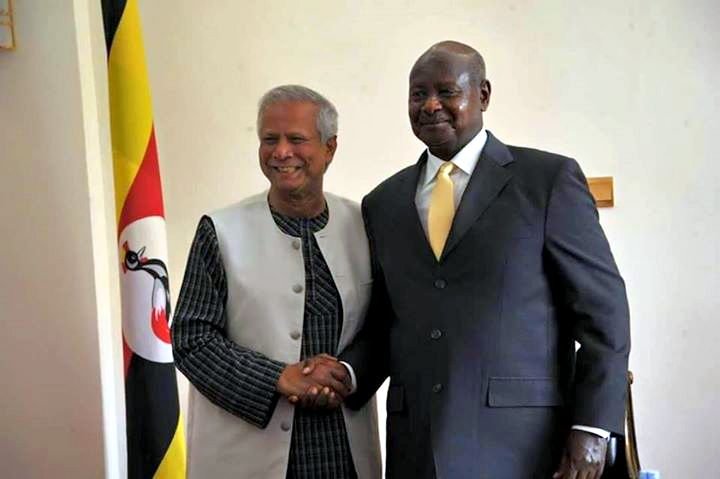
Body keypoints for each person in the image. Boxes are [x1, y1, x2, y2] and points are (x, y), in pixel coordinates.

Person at [305, 41, 630, 478]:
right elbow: (387, 321)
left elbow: (604, 315)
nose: (430, 105)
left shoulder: (547, 181)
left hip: (525, 449)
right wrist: (348, 372)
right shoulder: (383, 202)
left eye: (446, 91)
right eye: (418, 94)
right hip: (416, 447)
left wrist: (592, 428)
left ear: (483, 95)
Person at [171, 85, 382, 479]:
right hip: (246, 456)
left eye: (296, 139)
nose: (281, 152)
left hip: (343, 453)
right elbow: (191, 339)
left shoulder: (365, 224)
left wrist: (346, 373)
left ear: (330, 148)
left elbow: (383, 326)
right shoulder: (221, 231)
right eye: (270, 140)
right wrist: (278, 378)